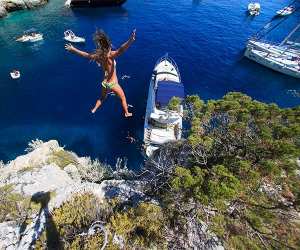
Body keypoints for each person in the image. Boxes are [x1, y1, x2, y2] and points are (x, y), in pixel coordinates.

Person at [65, 29, 136, 117]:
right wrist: (130, 40)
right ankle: (127, 113)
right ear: (108, 46)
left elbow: (86, 55)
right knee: (123, 98)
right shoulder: (111, 55)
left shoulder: (98, 56)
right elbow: (121, 49)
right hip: (113, 84)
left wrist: (73, 50)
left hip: (104, 83)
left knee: (102, 98)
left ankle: (94, 109)